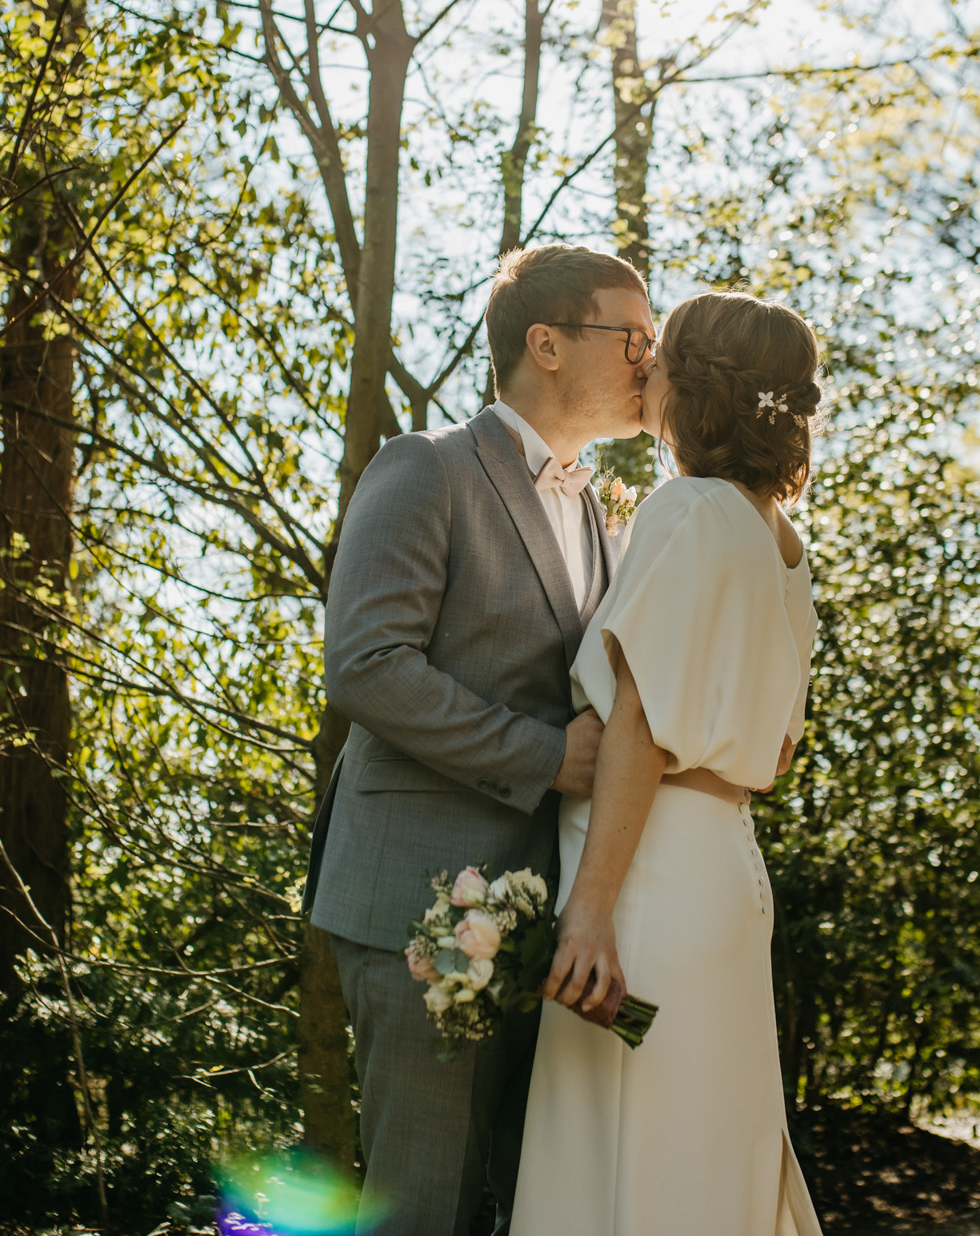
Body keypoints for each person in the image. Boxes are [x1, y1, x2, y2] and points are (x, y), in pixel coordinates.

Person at [303, 243, 657, 1235]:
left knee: (542, 1208)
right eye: (634, 337)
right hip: (420, 908)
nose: (651, 358)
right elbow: (368, 664)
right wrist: (549, 756)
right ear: (547, 343)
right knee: (426, 1210)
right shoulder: (427, 467)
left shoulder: (602, 508)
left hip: (551, 920)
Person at [513, 291, 826, 1236]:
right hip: (724, 868)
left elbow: (641, 722)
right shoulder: (783, 544)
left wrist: (590, 911)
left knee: (626, 1149)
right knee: (699, 1141)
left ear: (699, 386)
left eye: (662, 353)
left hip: (647, 879)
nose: (644, 367)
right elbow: (776, 749)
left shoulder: (688, 509)